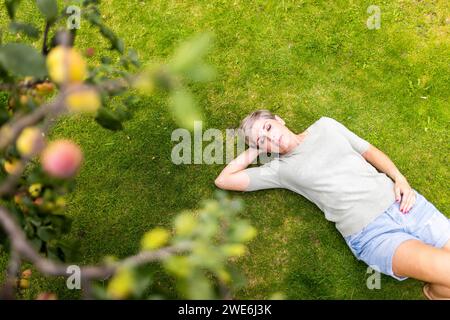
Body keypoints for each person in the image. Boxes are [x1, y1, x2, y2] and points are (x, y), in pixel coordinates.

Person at [215, 110, 450, 299]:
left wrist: (400, 178)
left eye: (268, 128)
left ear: (279, 120)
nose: (271, 137)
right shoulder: (279, 170)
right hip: (374, 234)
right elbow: (224, 180)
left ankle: (437, 292)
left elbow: (368, 151)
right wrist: (255, 149)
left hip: (407, 204)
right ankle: (434, 290)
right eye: (262, 140)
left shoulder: (325, 126)